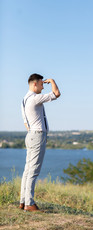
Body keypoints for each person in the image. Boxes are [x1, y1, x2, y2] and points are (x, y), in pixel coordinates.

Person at [19, 73, 61, 211]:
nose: (44, 86)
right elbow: (56, 94)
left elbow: (26, 122)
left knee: (27, 170)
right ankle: (29, 204)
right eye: (42, 83)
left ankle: (23, 201)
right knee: (33, 171)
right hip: (37, 136)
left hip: (30, 134)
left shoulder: (24, 100)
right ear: (34, 83)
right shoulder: (35, 98)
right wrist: (52, 81)